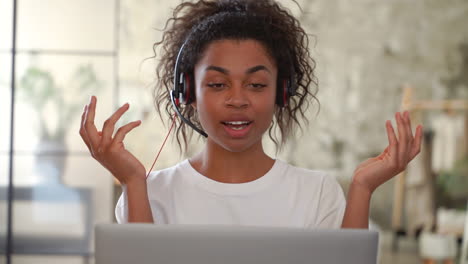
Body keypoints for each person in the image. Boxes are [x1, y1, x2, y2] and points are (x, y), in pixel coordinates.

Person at [79, 0, 423, 229]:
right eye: (217, 84)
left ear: (281, 94)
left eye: (256, 85)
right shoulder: (148, 192)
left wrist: (362, 188)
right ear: (188, 94)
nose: (238, 100)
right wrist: (132, 182)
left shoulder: (318, 193)